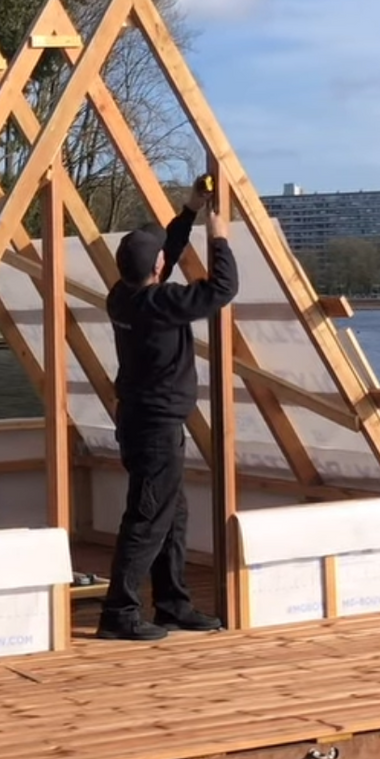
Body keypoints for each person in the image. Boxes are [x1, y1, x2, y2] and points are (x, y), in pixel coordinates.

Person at [97, 178, 239, 642]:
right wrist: (218, 235)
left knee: (170, 514)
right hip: (156, 427)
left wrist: (191, 210)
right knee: (147, 517)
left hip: (140, 420)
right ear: (157, 269)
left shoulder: (123, 296)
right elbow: (223, 288)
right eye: (161, 259)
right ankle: (119, 613)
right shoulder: (162, 302)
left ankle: (173, 605)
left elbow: (166, 255)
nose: (166, 260)